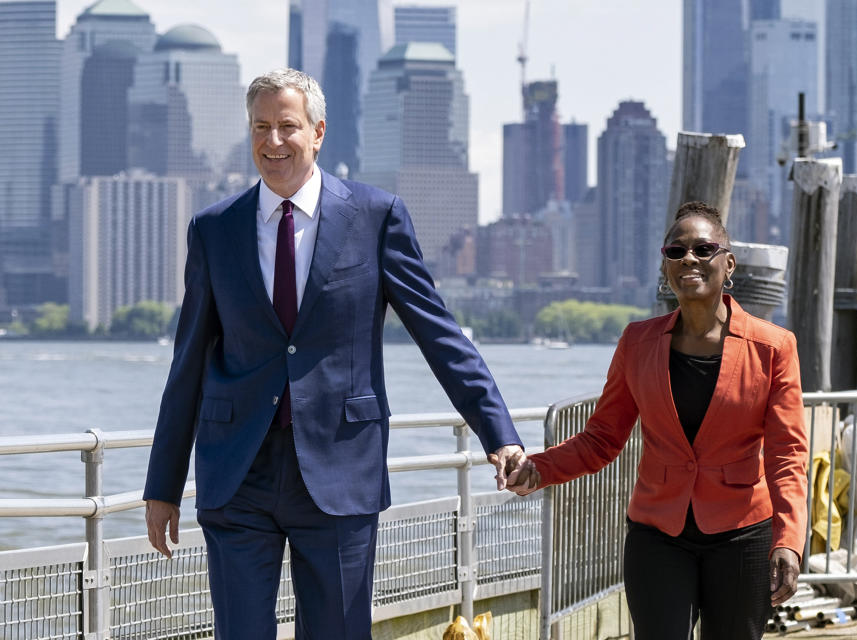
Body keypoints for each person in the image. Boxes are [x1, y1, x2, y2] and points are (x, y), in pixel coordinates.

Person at [142, 68, 526, 640]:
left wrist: (499, 433)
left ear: (318, 132)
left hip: (341, 471)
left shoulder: (376, 217)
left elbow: (438, 334)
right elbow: (189, 361)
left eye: (287, 127)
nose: (273, 141)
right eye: (260, 127)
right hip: (237, 475)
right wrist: (162, 485)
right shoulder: (214, 228)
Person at [507, 201, 808, 639]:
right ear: (666, 265)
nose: (689, 258)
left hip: (743, 536)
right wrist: (539, 468)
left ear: (729, 264)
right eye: (676, 250)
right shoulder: (637, 343)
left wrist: (789, 541)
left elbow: (787, 456)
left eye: (704, 249)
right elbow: (601, 439)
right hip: (658, 536)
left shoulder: (773, 347)